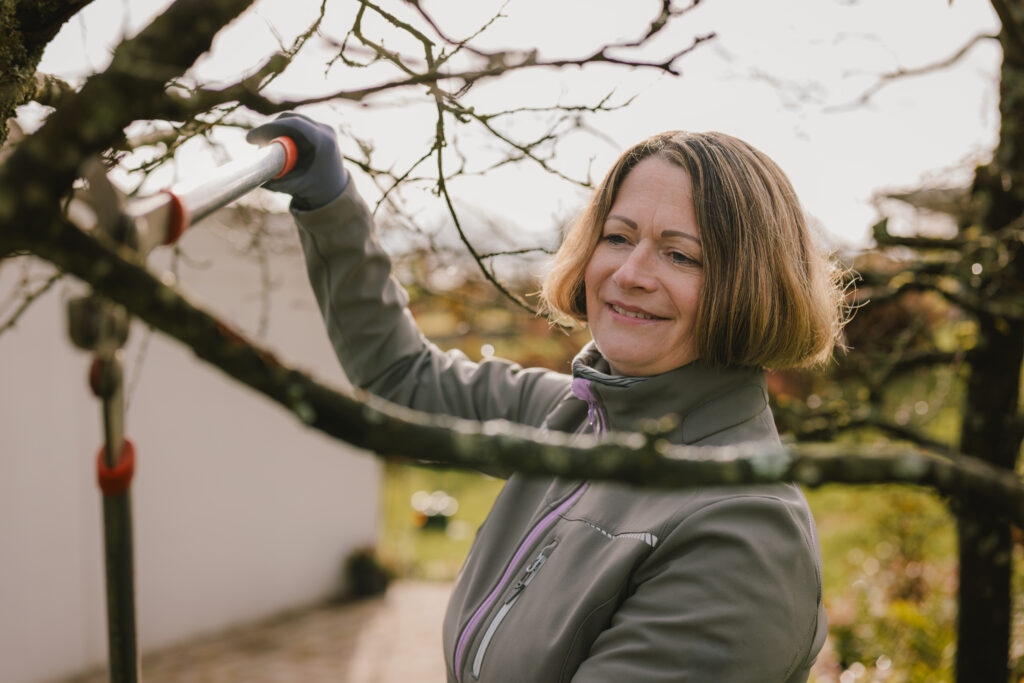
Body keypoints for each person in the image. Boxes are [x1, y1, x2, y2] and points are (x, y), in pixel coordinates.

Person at [248, 112, 842, 682]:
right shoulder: (570, 419)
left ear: (751, 287)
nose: (630, 273)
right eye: (618, 237)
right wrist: (330, 206)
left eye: (680, 254)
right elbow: (404, 376)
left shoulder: (743, 534)